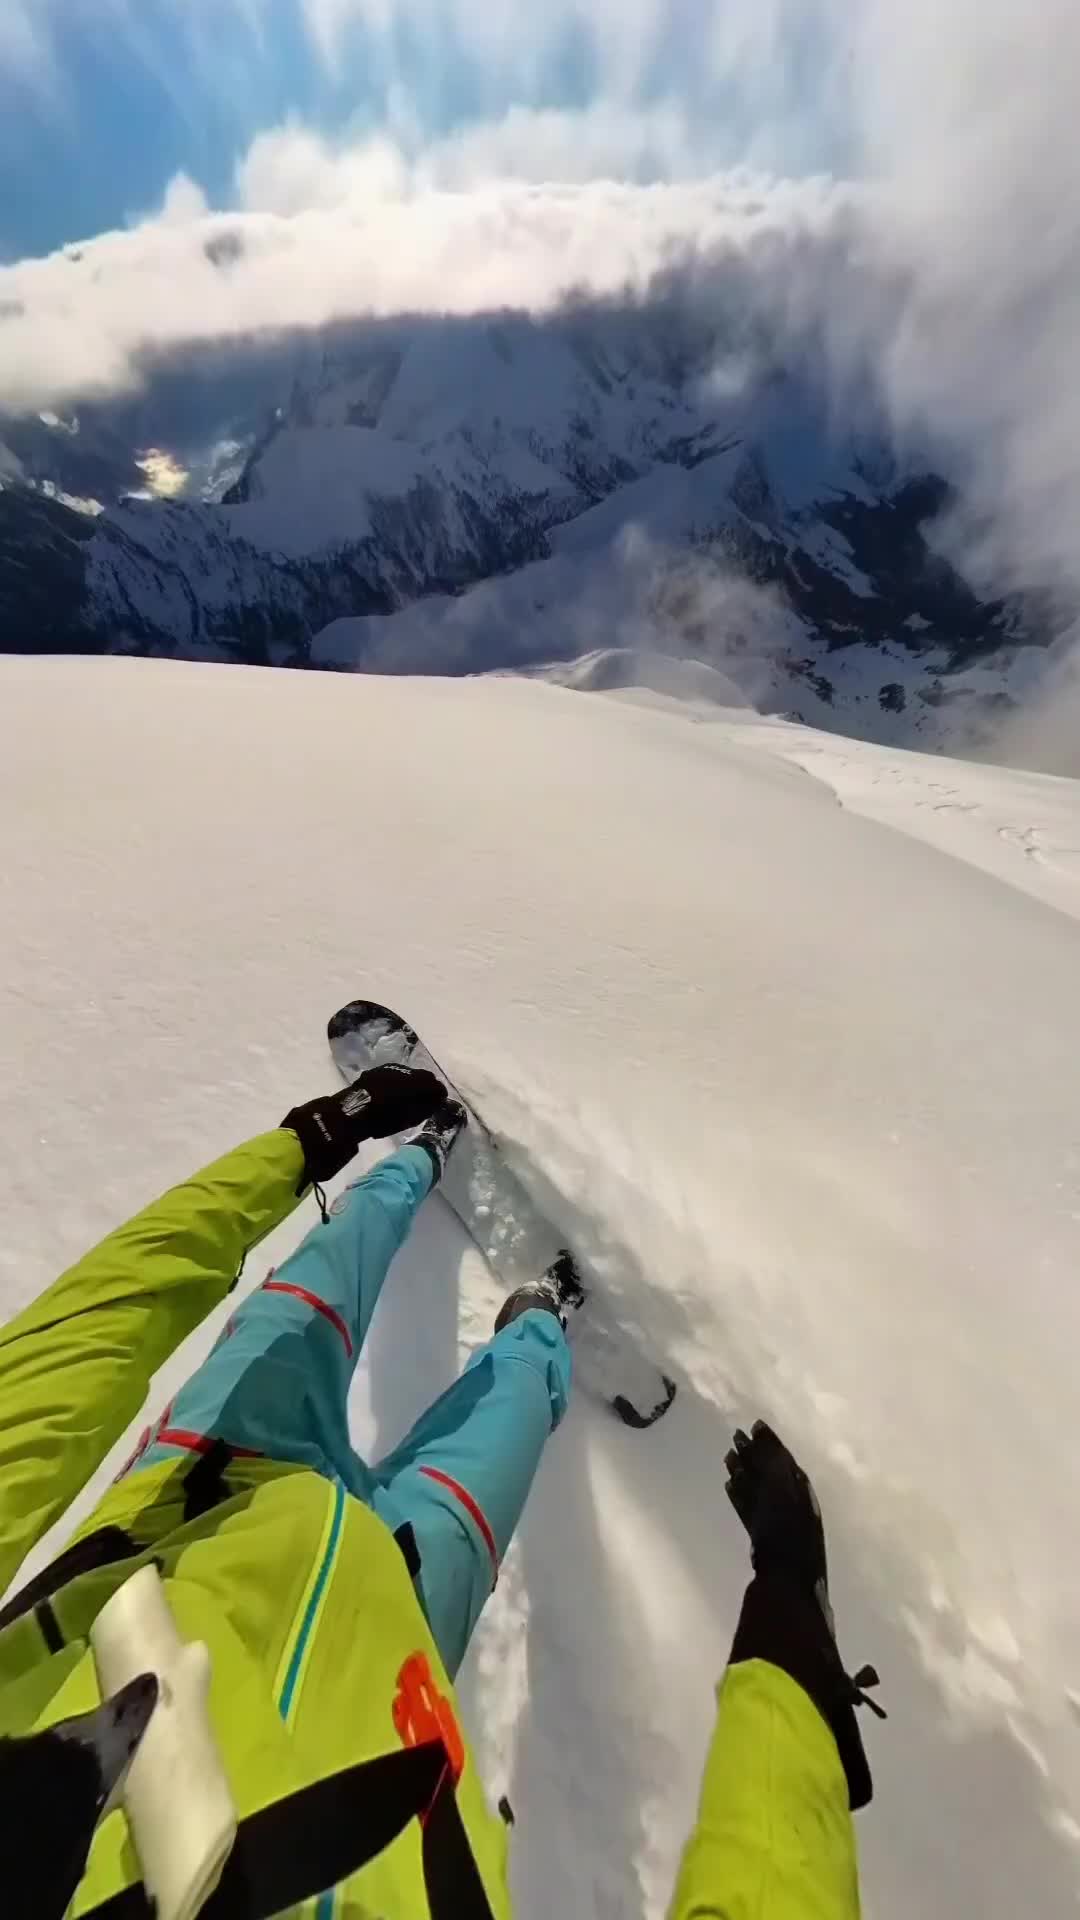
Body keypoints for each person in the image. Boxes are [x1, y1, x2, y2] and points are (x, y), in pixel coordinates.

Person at [0, 1069, 879, 1917]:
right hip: (403, 1637)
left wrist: (305, 1144)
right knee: (512, 1416)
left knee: (324, 1272)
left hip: (199, 1496)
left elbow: (50, 1381)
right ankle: (540, 1317)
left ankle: (418, 1155)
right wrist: (795, 1626)